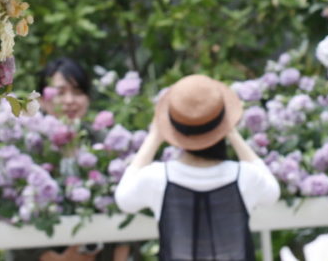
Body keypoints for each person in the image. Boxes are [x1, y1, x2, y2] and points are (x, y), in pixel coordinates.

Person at [115, 74, 280, 261]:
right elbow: (272, 192)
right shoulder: (244, 176)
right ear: (223, 124)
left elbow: (124, 200)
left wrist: (154, 136)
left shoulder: (158, 178)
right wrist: (232, 134)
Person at [31, 58, 130, 261]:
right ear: (41, 99)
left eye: (77, 92)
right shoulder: (30, 146)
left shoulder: (105, 143)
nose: (69, 101)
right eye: (60, 92)